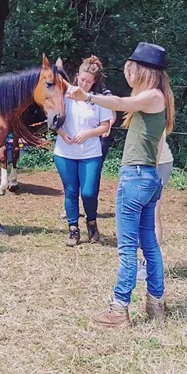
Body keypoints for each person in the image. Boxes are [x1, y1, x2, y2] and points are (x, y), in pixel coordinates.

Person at [68, 43, 175, 327]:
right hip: (148, 176)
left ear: (143, 70)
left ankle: (118, 309)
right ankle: (156, 304)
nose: (129, 72)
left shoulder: (151, 96)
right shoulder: (158, 98)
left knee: (127, 248)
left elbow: (120, 103)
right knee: (149, 245)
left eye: (132, 68)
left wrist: (87, 97)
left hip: (136, 177)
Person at [54, 56, 111, 246]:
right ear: (76, 76)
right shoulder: (64, 94)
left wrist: (88, 134)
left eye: (88, 81)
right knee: (70, 191)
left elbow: (105, 126)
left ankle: (92, 222)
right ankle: (73, 229)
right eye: (81, 79)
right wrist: (62, 133)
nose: (84, 84)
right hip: (65, 152)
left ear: (94, 82)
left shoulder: (98, 100)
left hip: (90, 153)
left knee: (88, 192)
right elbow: (52, 119)